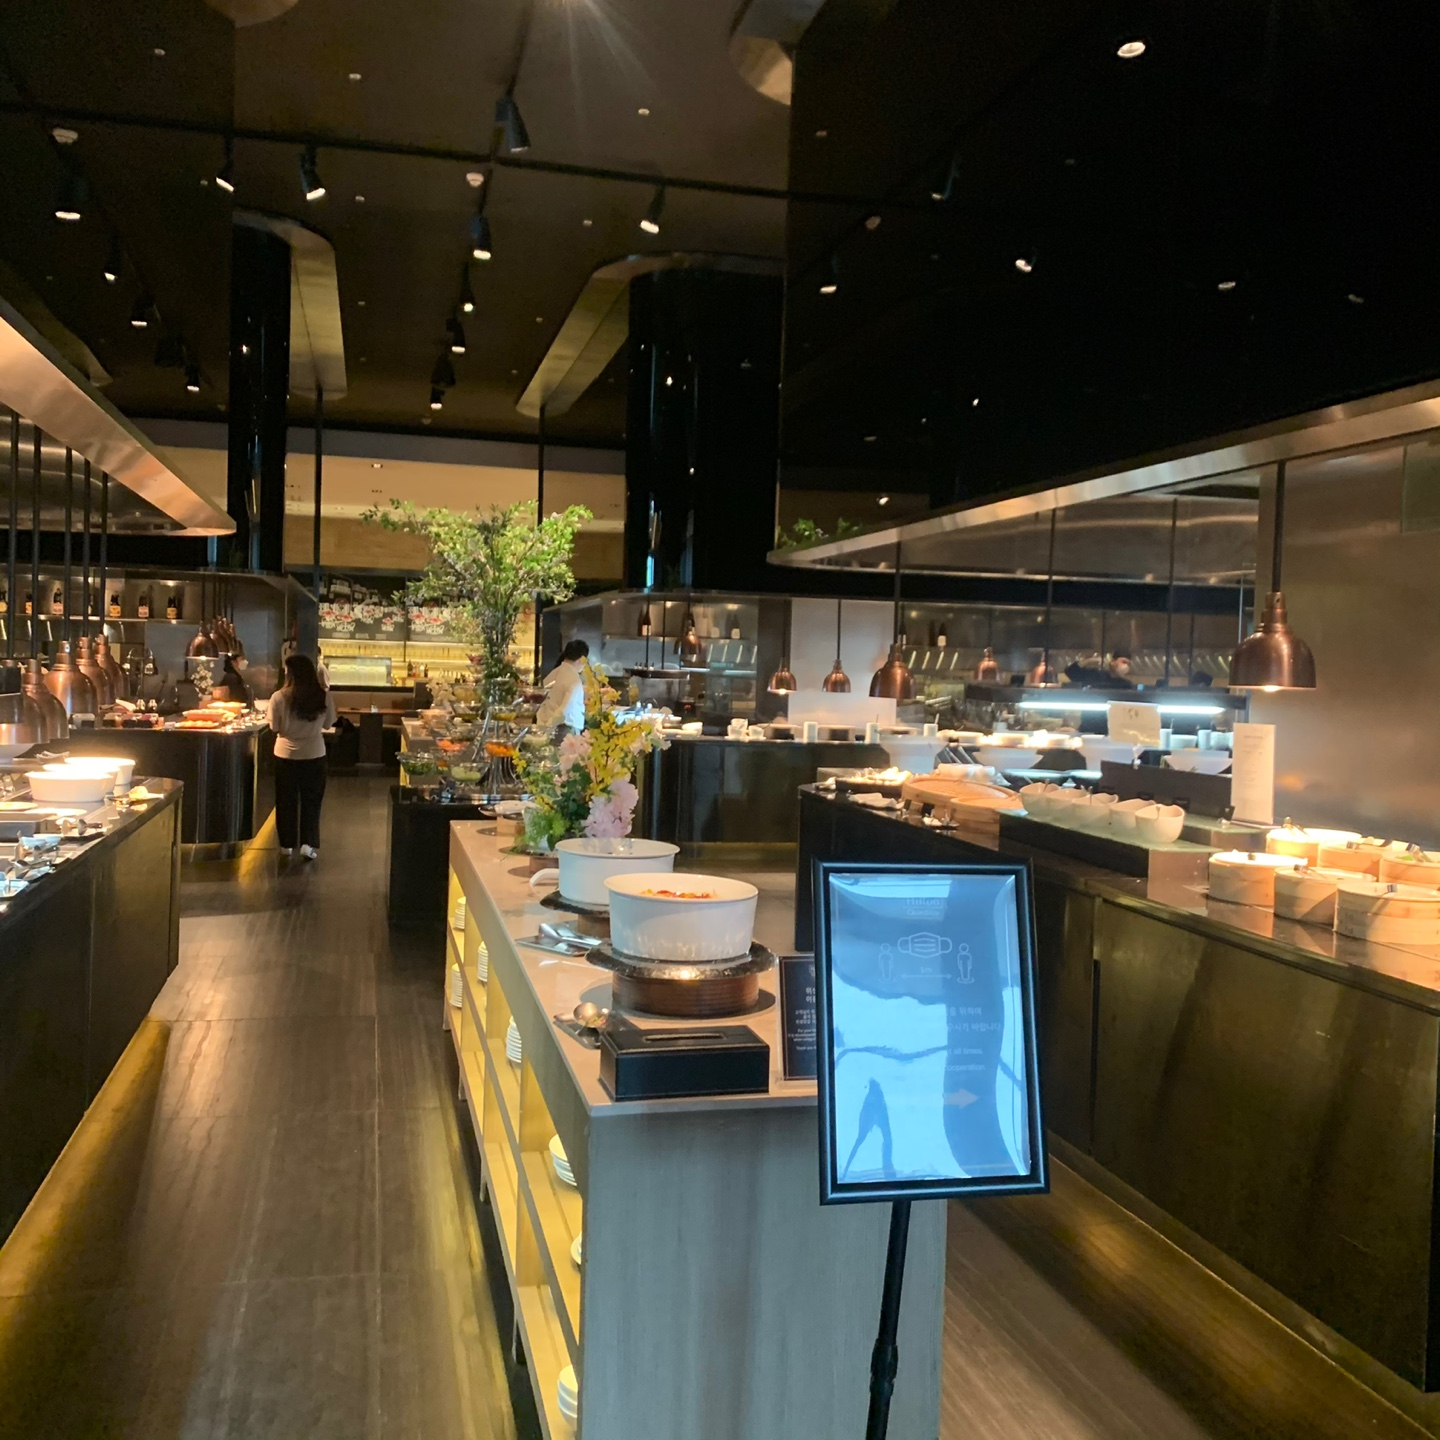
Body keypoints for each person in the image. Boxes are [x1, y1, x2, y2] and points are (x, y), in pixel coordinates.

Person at [267, 654, 337, 861]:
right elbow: (328, 724)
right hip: (315, 753)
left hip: (285, 755)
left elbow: (274, 727)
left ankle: (286, 845)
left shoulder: (278, 697)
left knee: (285, 800)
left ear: (290, 673)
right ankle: (308, 844)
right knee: (312, 801)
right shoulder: (323, 697)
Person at [536, 639, 590, 732]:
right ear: (581, 659)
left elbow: (543, 702)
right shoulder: (574, 680)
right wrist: (549, 726)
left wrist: (543, 724)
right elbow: (565, 710)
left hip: (547, 724)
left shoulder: (554, 674)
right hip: (566, 728)